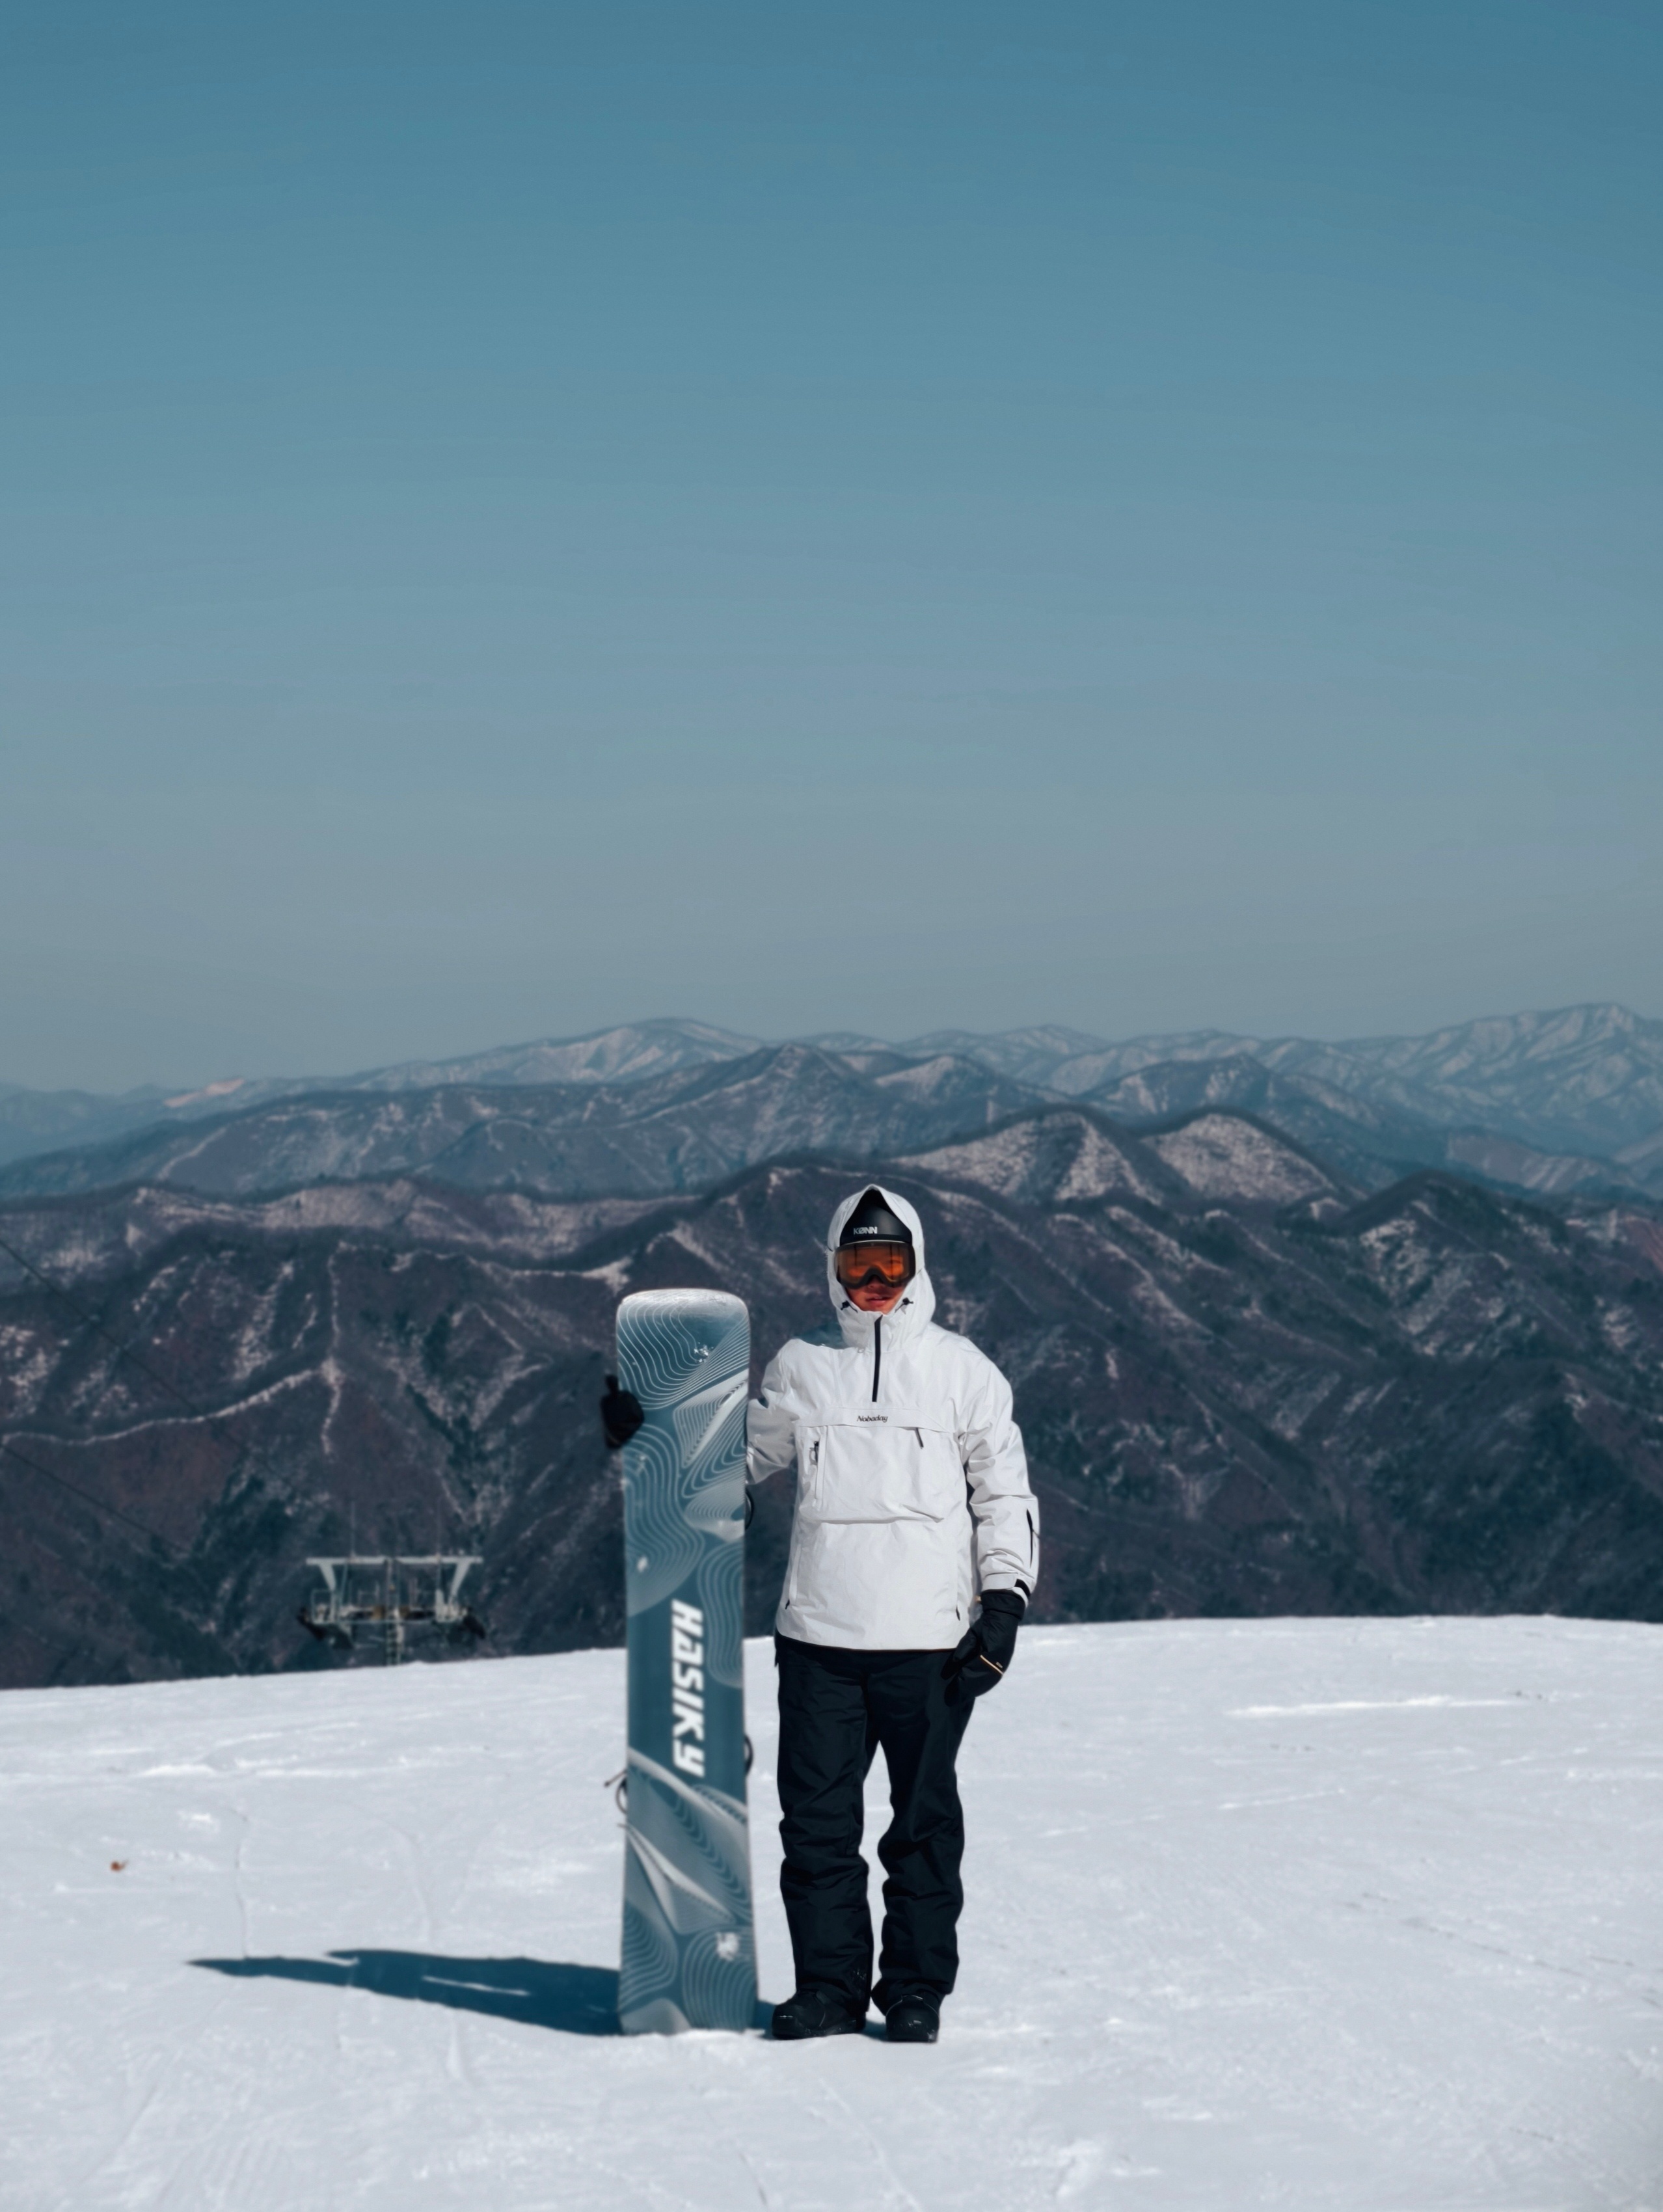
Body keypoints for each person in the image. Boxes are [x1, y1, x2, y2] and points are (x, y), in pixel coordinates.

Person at [602, 1182, 1038, 2045]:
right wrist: (647, 1439)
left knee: (919, 1831)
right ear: (834, 1270)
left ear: (916, 1268)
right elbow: (733, 1467)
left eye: (890, 1263)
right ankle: (831, 1989)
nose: (875, 1281)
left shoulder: (965, 1374)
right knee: (820, 1830)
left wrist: (1004, 1603)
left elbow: (1005, 1495)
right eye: (858, 1263)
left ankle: (914, 1992)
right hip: (819, 1645)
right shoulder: (801, 1366)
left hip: (931, 1644)